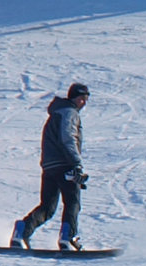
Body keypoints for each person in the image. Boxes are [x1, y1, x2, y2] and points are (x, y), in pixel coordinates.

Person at [11, 83, 91, 251]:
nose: (83, 102)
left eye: (86, 99)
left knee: (47, 207)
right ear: (73, 98)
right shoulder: (69, 113)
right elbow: (68, 138)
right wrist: (76, 163)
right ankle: (67, 239)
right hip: (65, 165)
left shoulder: (56, 113)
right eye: (81, 98)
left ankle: (21, 231)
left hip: (50, 167)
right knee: (72, 202)